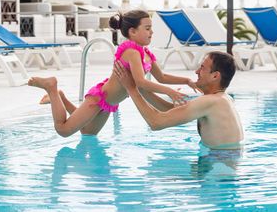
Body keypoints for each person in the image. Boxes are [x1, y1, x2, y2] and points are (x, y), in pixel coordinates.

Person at [29, 9, 197, 137]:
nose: (151, 32)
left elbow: (162, 77)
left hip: (108, 103)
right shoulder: (131, 51)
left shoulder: (146, 53)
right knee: (64, 130)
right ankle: (51, 87)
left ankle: (60, 97)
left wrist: (187, 81)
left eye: (151, 28)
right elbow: (140, 82)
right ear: (132, 32)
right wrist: (169, 92)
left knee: (88, 132)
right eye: (147, 28)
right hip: (99, 98)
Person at [113, 51, 244, 149]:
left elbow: (156, 122)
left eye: (202, 68)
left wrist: (131, 89)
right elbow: (174, 111)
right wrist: (140, 88)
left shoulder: (210, 101)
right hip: (222, 163)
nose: (196, 71)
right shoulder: (222, 99)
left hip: (217, 170)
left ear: (215, 76)